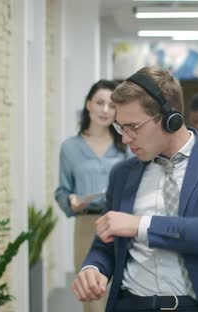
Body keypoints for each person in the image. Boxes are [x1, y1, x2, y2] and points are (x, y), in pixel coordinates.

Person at [71, 66, 198, 312]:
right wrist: (93, 268)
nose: (125, 139)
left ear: (171, 119)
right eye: (120, 128)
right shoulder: (122, 174)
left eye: (133, 127)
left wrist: (141, 225)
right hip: (133, 304)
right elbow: (106, 243)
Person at [55, 79, 129, 312]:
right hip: (87, 224)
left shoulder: (125, 146)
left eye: (111, 105)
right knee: (92, 294)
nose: (105, 110)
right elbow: (62, 190)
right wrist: (70, 201)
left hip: (121, 223)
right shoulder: (70, 148)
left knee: (124, 289)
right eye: (99, 103)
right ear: (88, 105)